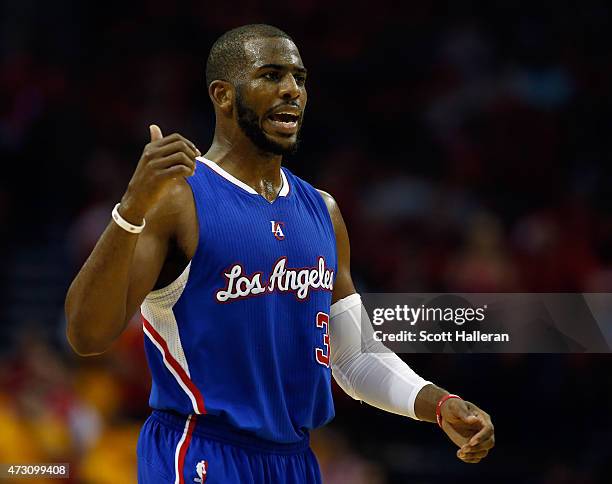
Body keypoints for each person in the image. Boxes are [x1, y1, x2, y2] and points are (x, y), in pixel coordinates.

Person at [65, 24, 495, 484]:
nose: (291, 89)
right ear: (223, 95)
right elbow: (86, 334)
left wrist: (440, 403)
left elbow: (353, 357)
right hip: (200, 451)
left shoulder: (323, 211)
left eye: (300, 78)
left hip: (294, 460)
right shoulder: (178, 199)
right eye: (271, 75)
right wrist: (129, 210)